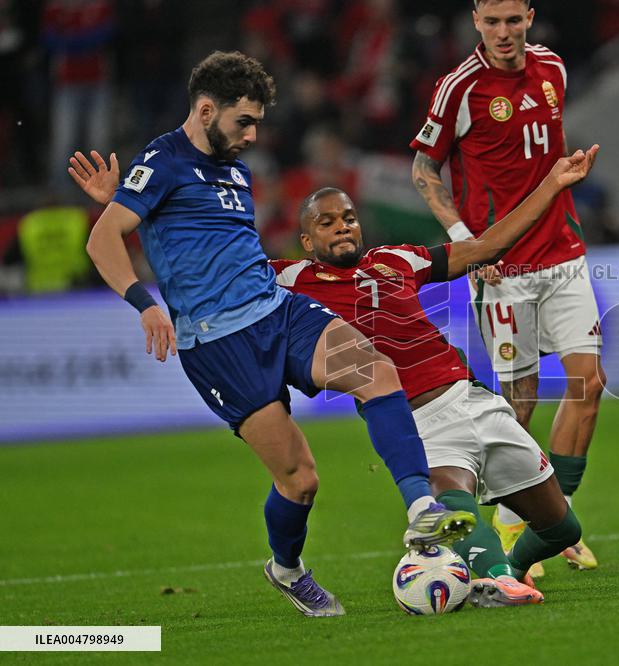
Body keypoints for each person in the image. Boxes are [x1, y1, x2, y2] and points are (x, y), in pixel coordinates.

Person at [72, 141, 599, 608]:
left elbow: (486, 247)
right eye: (325, 222)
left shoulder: (399, 258)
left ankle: (516, 564)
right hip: (419, 419)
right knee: (450, 503)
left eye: (346, 216)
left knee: (561, 528)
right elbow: (206, 259)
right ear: (305, 241)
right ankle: (495, 579)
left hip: (474, 398)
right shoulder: (284, 283)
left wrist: (553, 183)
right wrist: (133, 209)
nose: (341, 225)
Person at [77, 51, 475, 618]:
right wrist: (145, 304)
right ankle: (287, 569)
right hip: (219, 346)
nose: (253, 134)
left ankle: (420, 510)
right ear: (207, 109)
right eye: (244, 121)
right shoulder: (162, 162)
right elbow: (103, 240)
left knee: (378, 372)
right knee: (300, 480)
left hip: (278, 312)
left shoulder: (237, 170)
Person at [410, 0, 605, 577]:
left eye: (513, 20)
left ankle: (556, 521)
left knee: (588, 384)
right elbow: (424, 171)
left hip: (563, 252)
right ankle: (513, 519)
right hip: (501, 269)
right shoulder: (459, 88)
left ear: (530, 16)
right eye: (492, 21)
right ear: (475, 20)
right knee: (519, 403)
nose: (503, 32)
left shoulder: (554, 70)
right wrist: (468, 244)